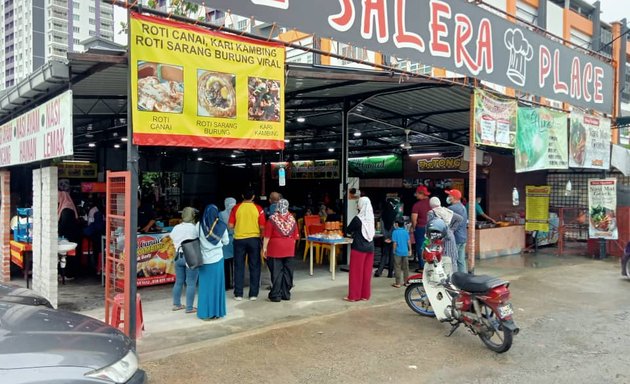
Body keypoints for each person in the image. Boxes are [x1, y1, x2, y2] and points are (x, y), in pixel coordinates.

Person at [228, 189, 266, 301]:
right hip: (254, 240)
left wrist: (239, 226)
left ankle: (238, 294)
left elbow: (230, 225)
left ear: (242, 195)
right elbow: (263, 226)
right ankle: (253, 294)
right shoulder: (258, 209)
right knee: (254, 266)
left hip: (239, 240)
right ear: (253, 196)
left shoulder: (236, 208)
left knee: (239, 266)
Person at [262, 199, 300, 302]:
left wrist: (264, 248)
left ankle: (276, 295)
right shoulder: (292, 219)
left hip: (275, 249)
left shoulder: (272, 219)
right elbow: (296, 237)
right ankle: (286, 294)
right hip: (289, 248)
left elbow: (267, 236)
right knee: (288, 272)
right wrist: (291, 248)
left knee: (276, 272)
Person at [197, 204, 229, 320]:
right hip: (217, 260)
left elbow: (196, 240)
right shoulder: (221, 226)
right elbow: (226, 242)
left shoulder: (199, 225)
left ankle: (204, 313)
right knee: (217, 287)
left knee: (205, 288)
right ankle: (216, 313)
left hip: (204, 260)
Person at [344, 196, 375, 302]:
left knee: (356, 273)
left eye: (358, 204)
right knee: (367, 273)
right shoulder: (371, 218)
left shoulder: (358, 219)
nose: (357, 205)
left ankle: (354, 296)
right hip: (370, 248)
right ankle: (365, 295)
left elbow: (348, 229)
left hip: (358, 248)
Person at [169, 207, 199, 314]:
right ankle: (189, 307)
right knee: (191, 283)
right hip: (190, 256)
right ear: (193, 216)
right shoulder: (194, 228)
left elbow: (172, 237)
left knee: (179, 281)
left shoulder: (176, 227)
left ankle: (177, 304)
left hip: (178, 256)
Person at [427, 197, 464, 276]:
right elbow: (460, 218)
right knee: (452, 259)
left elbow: (430, 227)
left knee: (441, 260)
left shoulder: (431, 212)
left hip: (439, 239)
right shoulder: (446, 211)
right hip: (450, 237)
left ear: (431, 204)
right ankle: (454, 280)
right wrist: (451, 229)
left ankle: (446, 280)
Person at [58, 191, 81, 278]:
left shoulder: (66, 209)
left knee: (70, 256)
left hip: (71, 236)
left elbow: (64, 224)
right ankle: (68, 273)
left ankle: (69, 274)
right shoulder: (66, 207)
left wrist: (57, 230)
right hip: (71, 235)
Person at [445, 189, 468, 273]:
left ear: (453, 197)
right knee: (461, 260)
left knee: (452, 260)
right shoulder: (463, 207)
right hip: (463, 237)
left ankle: (453, 279)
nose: (448, 197)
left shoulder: (451, 208)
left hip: (455, 238)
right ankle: (463, 279)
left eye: (449, 196)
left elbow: (446, 222)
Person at [411, 185, 431, 271]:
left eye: (417, 193)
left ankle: (422, 266)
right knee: (429, 246)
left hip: (420, 228)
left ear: (421, 194)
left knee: (420, 247)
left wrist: (413, 227)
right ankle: (429, 265)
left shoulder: (417, 205)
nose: (416, 195)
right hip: (431, 228)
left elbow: (414, 219)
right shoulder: (432, 203)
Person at [83, 196, 105, 274]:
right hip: (100, 234)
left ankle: (98, 267)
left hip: (95, 235)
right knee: (100, 249)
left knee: (97, 249)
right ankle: (99, 267)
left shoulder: (93, 210)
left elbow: (88, 223)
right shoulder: (101, 210)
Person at [374, 198, 396, 278]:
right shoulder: (394, 213)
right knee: (392, 256)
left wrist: (385, 237)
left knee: (384, 255)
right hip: (393, 237)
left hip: (385, 238)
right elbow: (394, 227)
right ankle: (390, 273)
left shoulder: (383, 214)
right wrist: (391, 237)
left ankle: (379, 271)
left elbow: (382, 227)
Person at [219, 197, 237, 290]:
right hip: (236, 239)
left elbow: (220, 228)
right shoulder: (238, 212)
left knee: (226, 264)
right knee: (236, 264)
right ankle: (236, 283)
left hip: (225, 241)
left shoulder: (221, 214)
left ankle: (226, 284)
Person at [391, 220, 411, 288]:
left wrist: (393, 250)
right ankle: (406, 282)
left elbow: (395, 243)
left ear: (397, 224)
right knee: (406, 268)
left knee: (397, 267)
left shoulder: (395, 232)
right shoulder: (406, 232)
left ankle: (398, 283)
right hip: (405, 252)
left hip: (398, 252)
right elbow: (408, 241)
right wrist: (410, 250)